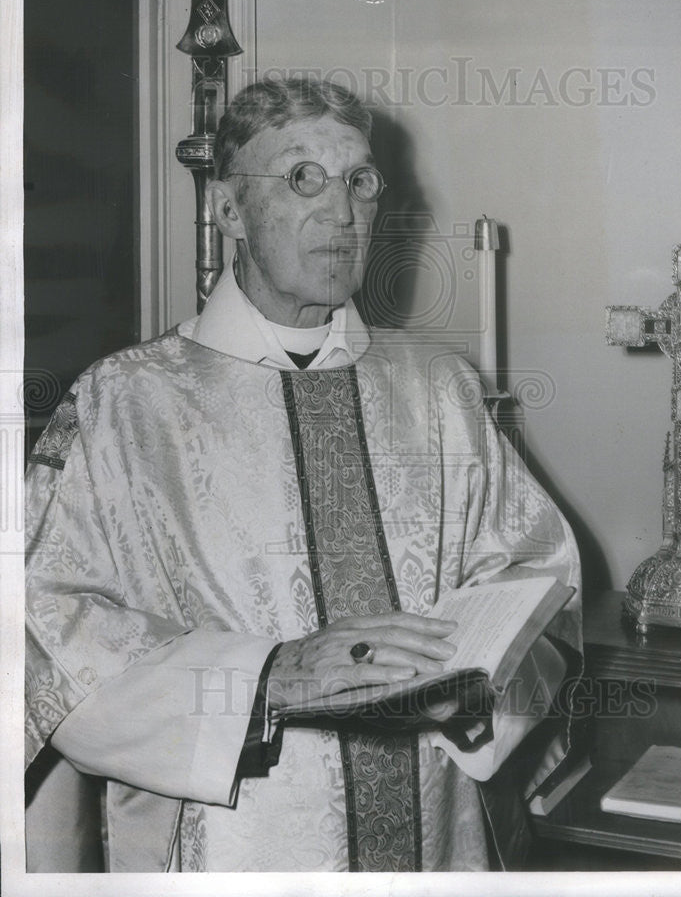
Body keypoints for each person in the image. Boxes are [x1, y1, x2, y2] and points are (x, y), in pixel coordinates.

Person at [25, 77, 582, 873]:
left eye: (359, 180)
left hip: (436, 833)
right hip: (236, 847)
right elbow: (46, 634)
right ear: (227, 211)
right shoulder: (126, 401)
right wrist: (267, 677)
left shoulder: (438, 388)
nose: (341, 211)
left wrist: (481, 683)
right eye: (301, 179)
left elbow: (538, 576)